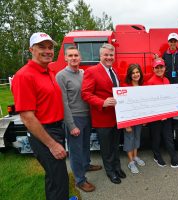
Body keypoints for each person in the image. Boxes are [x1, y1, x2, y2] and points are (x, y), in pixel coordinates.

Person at [11, 32, 72, 200]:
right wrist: (52, 144)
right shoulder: (24, 76)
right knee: (58, 180)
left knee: (55, 176)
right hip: (44, 134)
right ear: (31, 49)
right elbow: (27, 117)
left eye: (50, 47)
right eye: (41, 47)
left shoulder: (48, 71)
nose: (47, 51)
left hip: (55, 129)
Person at [56, 46, 102, 193]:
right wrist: (71, 125)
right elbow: (63, 102)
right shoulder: (61, 76)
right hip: (74, 117)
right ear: (65, 58)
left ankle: (86, 165)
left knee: (85, 145)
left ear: (80, 57)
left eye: (76, 55)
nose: (74, 58)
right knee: (75, 150)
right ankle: (80, 180)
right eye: (70, 55)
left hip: (86, 116)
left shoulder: (83, 73)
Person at [81, 43, 126, 184]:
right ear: (100, 56)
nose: (109, 57)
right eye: (106, 55)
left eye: (111, 55)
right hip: (102, 118)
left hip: (116, 117)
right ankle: (110, 172)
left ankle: (117, 167)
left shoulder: (114, 71)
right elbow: (85, 94)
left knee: (115, 146)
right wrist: (102, 102)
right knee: (106, 149)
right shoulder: (92, 71)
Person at [146, 58, 178, 169]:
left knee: (169, 138)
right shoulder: (150, 82)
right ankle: (157, 156)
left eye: (161, 67)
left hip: (167, 116)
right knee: (156, 138)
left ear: (165, 68)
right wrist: (159, 115)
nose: (159, 69)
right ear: (153, 69)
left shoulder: (166, 80)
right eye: (157, 67)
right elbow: (150, 102)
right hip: (155, 117)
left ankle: (175, 160)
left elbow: (170, 97)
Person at [122, 64, 146, 174]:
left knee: (137, 138)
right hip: (128, 120)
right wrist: (126, 124)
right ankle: (131, 162)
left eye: (137, 72)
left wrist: (145, 118)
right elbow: (122, 107)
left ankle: (135, 156)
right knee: (129, 139)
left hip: (139, 119)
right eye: (133, 73)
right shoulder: (125, 87)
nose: (136, 75)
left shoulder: (142, 86)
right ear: (129, 75)